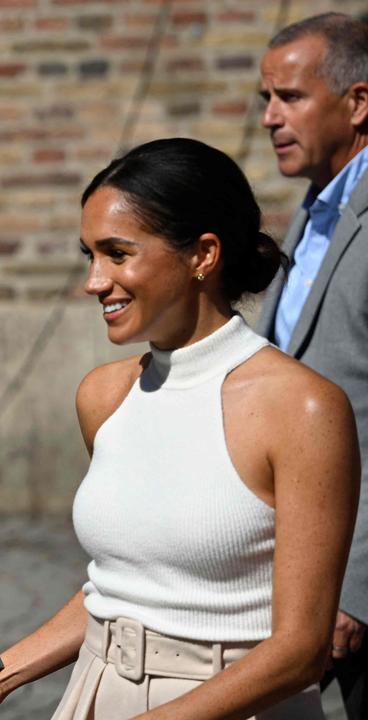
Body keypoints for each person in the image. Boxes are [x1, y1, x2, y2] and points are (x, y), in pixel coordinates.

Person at [0, 138, 359, 720]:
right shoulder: (104, 395)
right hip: (97, 694)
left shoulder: (303, 408)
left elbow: (300, 650)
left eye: (117, 254)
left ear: (203, 254)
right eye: (89, 255)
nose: (95, 281)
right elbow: (117, 587)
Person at [257, 14, 368, 716]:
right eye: (265, 99)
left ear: (357, 103)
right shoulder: (315, 209)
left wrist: (353, 588)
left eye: (290, 97)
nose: (270, 118)